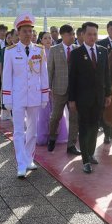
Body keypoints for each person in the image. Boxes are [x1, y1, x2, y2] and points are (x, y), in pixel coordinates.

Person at [1, 13, 49, 178]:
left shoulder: (40, 50)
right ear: (18, 33)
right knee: (18, 131)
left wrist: (44, 95)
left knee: (33, 131)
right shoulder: (11, 52)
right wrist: (6, 98)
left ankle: (29, 158)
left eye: (30, 31)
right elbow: (7, 76)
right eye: (25, 31)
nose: (28, 34)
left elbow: (44, 74)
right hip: (18, 96)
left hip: (35, 95)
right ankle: (21, 163)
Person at [68, 21, 111, 174]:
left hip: (99, 97)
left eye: (95, 34)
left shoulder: (103, 51)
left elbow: (106, 74)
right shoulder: (76, 53)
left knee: (94, 127)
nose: (92, 37)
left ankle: (91, 153)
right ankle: (85, 160)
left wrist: (108, 94)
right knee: (84, 128)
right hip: (82, 98)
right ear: (83, 35)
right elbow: (72, 78)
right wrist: (71, 99)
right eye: (89, 34)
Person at [46, 24, 77, 154]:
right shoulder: (54, 50)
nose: (73, 36)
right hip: (58, 90)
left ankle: (71, 145)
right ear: (63, 35)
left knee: (75, 118)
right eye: (71, 34)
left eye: (74, 34)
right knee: (55, 117)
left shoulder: (77, 49)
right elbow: (50, 70)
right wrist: (48, 88)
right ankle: (52, 137)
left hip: (74, 91)